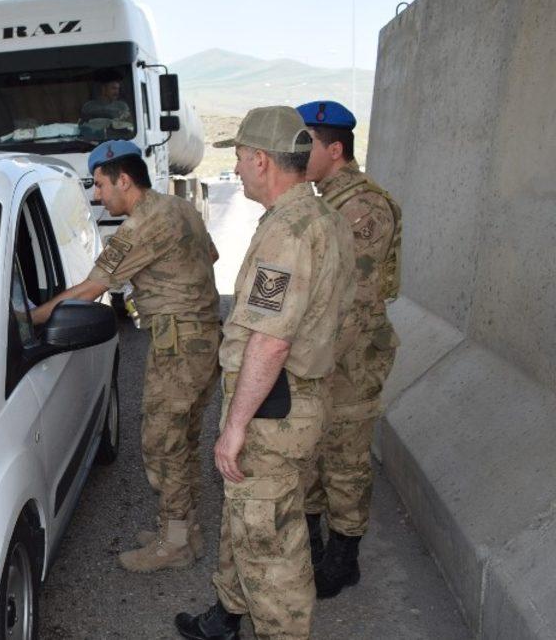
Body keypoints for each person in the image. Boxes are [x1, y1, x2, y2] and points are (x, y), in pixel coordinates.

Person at [175, 106, 355, 640]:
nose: (236, 168)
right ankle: (227, 615)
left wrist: (234, 427)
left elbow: (271, 339)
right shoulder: (322, 217)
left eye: (238, 157)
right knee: (248, 517)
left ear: (260, 160)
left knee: (270, 545)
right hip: (296, 402)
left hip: (272, 411)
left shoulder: (289, 233)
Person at [31, 140, 221, 573]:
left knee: (162, 444)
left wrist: (32, 317)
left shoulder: (141, 226)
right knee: (184, 440)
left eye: (100, 185)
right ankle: (183, 531)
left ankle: (175, 544)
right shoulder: (181, 208)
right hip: (205, 340)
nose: (98, 196)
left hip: (178, 349)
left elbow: (91, 288)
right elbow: (210, 254)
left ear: (124, 180)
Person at [296, 100, 402, 598]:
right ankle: (313, 548)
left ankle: (344, 558)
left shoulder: (362, 208)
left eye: (307, 145)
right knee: (315, 452)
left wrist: (311, 363)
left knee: (345, 458)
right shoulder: (327, 202)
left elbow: (355, 304)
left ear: (334, 149)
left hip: (351, 358)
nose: (298, 154)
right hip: (325, 353)